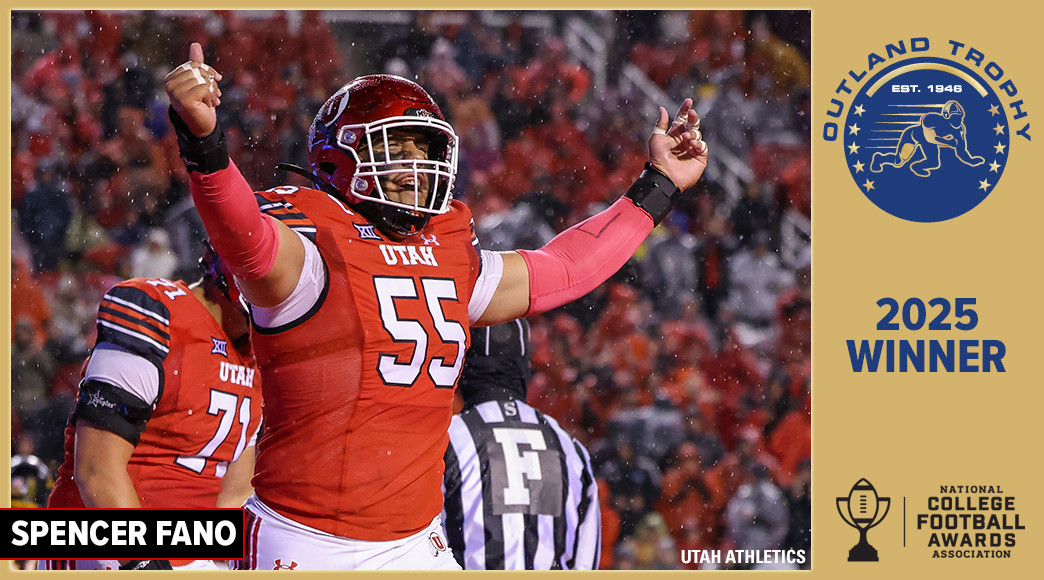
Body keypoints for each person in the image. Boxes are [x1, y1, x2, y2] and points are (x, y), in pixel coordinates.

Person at [164, 41, 707, 570]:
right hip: (307, 540)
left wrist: (657, 187)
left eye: (423, 150)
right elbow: (242, 233)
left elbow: (565, 268)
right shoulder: (310, 244)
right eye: (395, 148)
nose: (414, 166)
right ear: (338, 156)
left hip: (415, 543)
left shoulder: (447, 251)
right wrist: (205, 145)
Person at [42, 245, 263, 571]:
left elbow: (234, 494)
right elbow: (96, 470)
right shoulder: (158, 313)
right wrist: (144, 562)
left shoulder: (260, 357)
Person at [442, 320, 600, 569]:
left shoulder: (446, 440)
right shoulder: (570, 448)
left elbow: (416, 547)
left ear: (465, 368)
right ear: (523, 368)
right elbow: (585, 563)